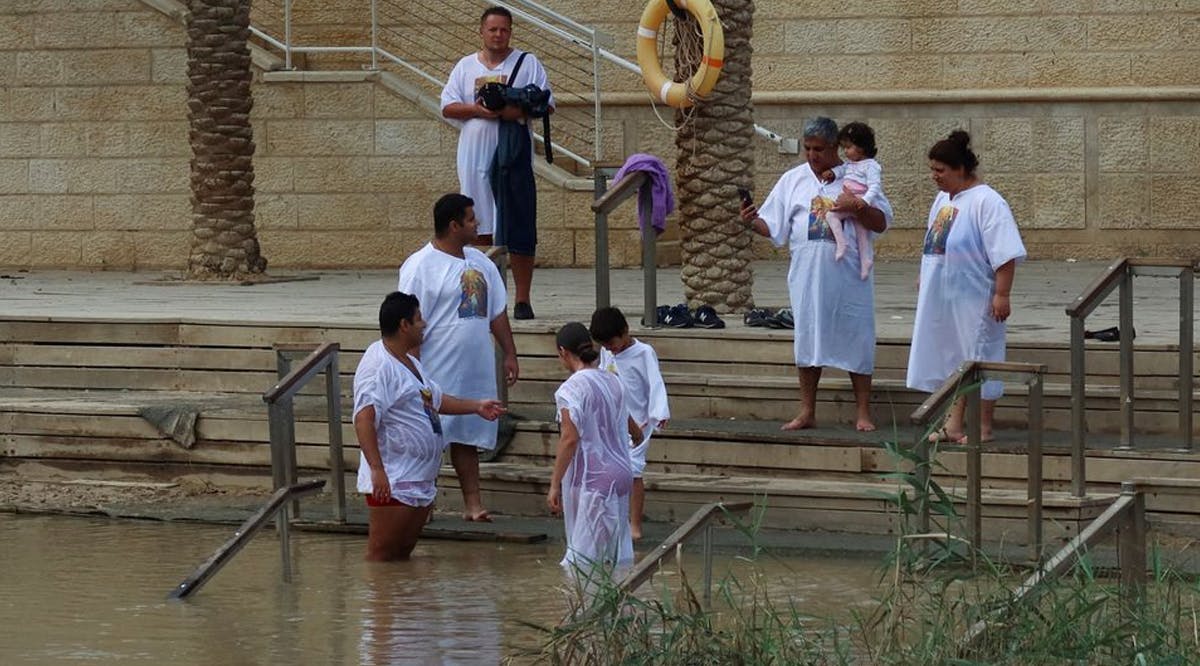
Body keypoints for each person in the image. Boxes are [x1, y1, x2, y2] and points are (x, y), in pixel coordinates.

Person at [739, 116, 893, 432]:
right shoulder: (792, 180)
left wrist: (859, 206)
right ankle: (806, 411)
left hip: (850, 278)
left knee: (856, 338)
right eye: (808, 148)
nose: (812, 155)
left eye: (819, 149)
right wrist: (750, 221)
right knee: (808, 341)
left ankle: (863, 412)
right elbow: (774, 227)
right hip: (807, 278)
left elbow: (881, 222)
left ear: (836, 147)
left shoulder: (857, 174)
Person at [355, 291, 506, 561]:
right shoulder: (378, 366)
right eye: (419, 319)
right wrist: (377, 469)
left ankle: (408, 603)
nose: (424, 324)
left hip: (419, 478)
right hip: (394, 479)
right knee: (381, 558)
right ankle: (380, 603)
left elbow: (434, 399)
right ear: (404, 325)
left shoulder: (410, 361)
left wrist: (476, 406)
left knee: (401, 557)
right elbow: (364, 418)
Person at [398, 193, 519, 522]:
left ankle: (473, 505)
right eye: (470, 219)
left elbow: (496, 312)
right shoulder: (420, 267)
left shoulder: (481, 264)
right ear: (454, 226)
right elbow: (408, 322)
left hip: (474, 369)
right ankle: (422, 507)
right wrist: (413, 370)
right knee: (429, 440)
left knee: (467, 437)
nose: (476, 224)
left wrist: (509, 352)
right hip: (436, 368)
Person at [906, 131, 1026, 443]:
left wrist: (1002, 293)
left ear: (960, 168)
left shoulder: (988, 201)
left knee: (978, 355)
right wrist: (926, 274)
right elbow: (935, 244)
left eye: (940, 170)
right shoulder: (943, 200)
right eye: (932, 170)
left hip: (976, 297)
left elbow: (1005, 252)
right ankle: (953, 424)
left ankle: (983, 426)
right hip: (944, 297)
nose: (934, 176)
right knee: (953, 358)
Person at [441, 5, 554, 320]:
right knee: (474, 227)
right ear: (481, 32)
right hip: (473, 157)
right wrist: (478, 110)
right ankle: (477, 298)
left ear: (510, 32)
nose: (498, 35)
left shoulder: (527, 64)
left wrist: (512, 111)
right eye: (492, 29)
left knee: (517, 224)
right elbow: (447, 106)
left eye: (504, 29)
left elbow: (547, 104)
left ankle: (522, 300)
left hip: (513, 157)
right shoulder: (465, 66)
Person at [546, 322, 636, 573]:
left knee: (580, 565)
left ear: (563, 352)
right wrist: (638, 437)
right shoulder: (613, 380)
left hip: (594, 480)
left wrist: (554, 484)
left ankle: (581, 611)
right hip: (622, 473)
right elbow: (628, 420)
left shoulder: (570, 390)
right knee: (617, 559)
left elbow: (569, 438)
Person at [590, 306, 670, 542]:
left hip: (640, 422)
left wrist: (659, 411)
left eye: (613, 343)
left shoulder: (644, 352)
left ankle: (635, 525)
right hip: (613, 423)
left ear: (626, 331)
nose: (611, 348)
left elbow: (655, 382)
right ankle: (612, 520)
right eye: (605, 346)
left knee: (634, 471)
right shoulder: (607, 354)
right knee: (612, 470)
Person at [821, 121, 882, 280]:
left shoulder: (871, 166)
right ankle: (866, 260)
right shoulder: (850, 165)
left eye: (848, 148)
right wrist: (832, 173)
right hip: (852, 201)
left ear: (861, 147)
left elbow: (875, 186)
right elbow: (841, 170)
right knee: (860, 232)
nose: (845, 152)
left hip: (859, 200)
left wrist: (865, 201)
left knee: (831, 216)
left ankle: (843, 244)